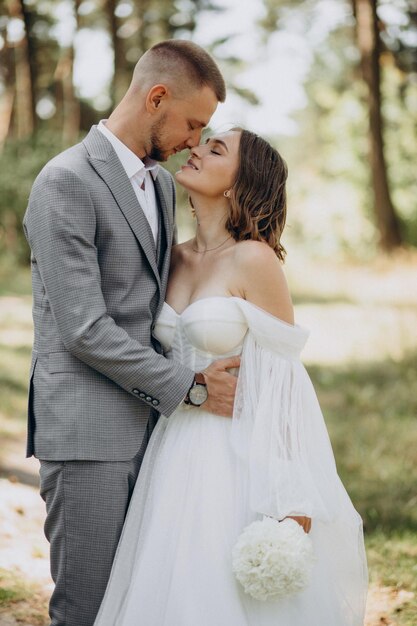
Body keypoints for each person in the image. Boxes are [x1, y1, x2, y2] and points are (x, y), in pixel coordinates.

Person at [94, 128, 368, 626]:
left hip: (239, 457)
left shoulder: (254, 259)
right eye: (203, 142)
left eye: (216, 149)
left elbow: (285, 385)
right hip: (173, 449)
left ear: (238, 184)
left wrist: (292, 497)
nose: (196, 148)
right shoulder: (169, 258)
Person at [23, 40, 240, 626]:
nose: (195, 141)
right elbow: (86, 329)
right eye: (193, 124)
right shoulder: (64, 181)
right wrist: (192, 387)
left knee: (144, 606)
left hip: (158, 434)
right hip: (88, 437)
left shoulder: (164, 187)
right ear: (157, 97)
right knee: (89, 608)